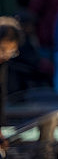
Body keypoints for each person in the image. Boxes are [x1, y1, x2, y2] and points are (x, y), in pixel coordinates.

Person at [0, 17, 23, 155]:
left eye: (11, 52)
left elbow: (0, 94)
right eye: (2, 49)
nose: (6, 56)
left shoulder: (2, 63)